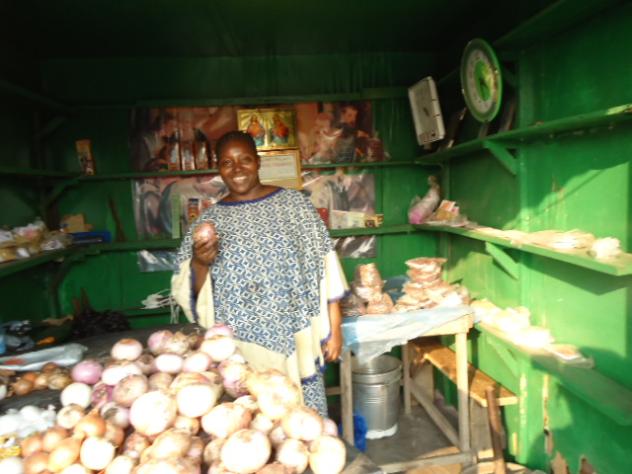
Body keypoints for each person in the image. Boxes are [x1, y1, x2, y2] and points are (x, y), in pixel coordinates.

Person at [171, 131, 347, 416]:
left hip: (295, 336)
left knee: (305, 421)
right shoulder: (208, 221)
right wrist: (201, 263)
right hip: (241, 349)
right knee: (254, 423)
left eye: (245, 160)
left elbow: (325, 264)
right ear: (218, 168)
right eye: (227, 162)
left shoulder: (295, 206)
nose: (237, 169)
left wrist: (334, 328)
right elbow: (188, 291)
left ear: (258, 162)